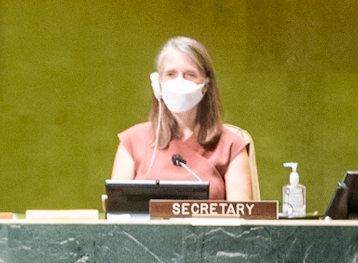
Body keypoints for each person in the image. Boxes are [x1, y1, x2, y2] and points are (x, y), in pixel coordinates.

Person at [109, 36, 258, 201]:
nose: (179, 81)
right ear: (157, 84)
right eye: (171, 74)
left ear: (206, 85)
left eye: (190, 74)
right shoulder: (132, 142)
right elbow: (117, 218)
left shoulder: (231, 146)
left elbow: (241, 219)